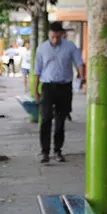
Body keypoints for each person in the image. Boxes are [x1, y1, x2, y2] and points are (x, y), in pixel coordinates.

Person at [34, 21, 85, 163]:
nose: (55, 40)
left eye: (57, 37)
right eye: (52, 37)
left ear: (62, 35)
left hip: (65, 87)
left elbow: (79, 62)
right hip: (48, 87)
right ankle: (45, 151)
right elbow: (37, 70)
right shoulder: (42, 48)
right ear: (49, 35)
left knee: (60, 120)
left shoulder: (70, 47)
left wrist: (81, 78)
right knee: (45, 119)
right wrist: (36, 90)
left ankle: (58, 150)